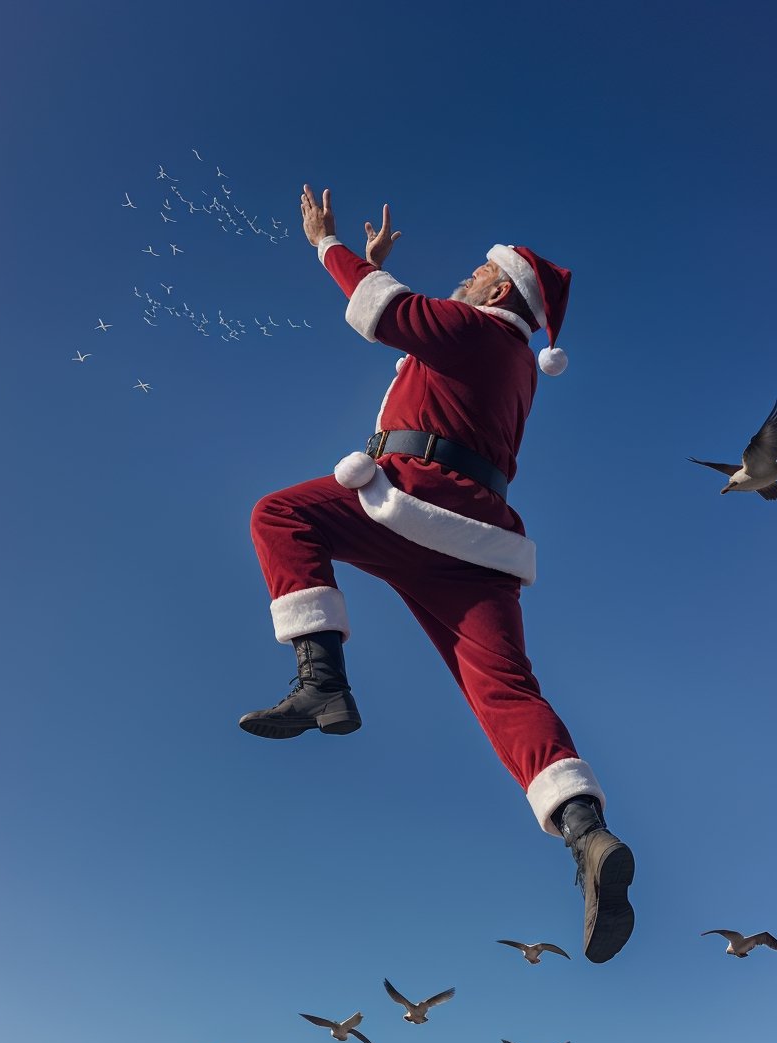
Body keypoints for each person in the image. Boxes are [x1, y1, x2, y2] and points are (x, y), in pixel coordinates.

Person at [240, 185, 635, 964]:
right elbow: (412, 332)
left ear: (496, 288)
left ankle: (322, 680)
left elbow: (380, 311)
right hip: (480, 546)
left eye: (470, 274)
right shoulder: (517, 365)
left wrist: (327, 244)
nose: (458, 282)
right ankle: (587, 834)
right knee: (505, 690)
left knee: (280, 516)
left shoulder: (474, 331)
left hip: (409, 503)